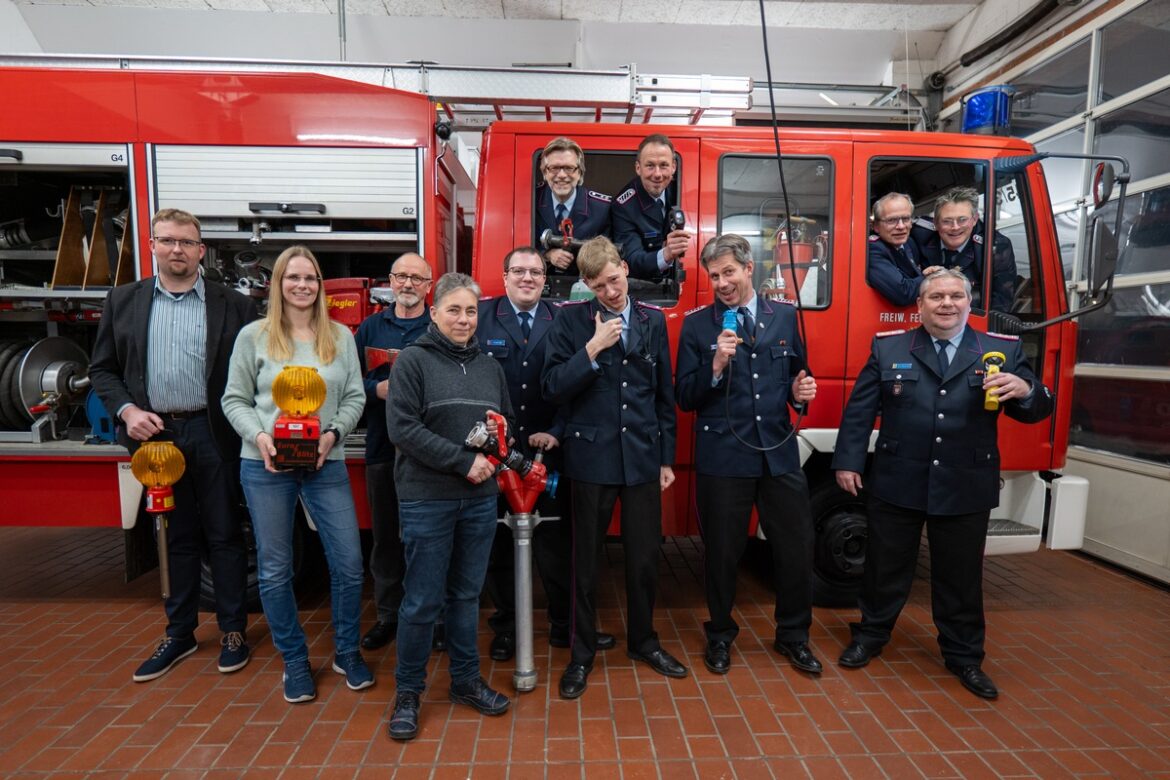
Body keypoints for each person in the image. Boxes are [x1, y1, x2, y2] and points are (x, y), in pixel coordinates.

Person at [832, 269, 1054, 700]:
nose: (947, 304)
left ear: (969, 304)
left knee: (960, 576)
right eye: (936, 297)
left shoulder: (1000, 350)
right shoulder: (889, 347)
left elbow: (1036, 410)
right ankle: (871, 636)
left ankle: (965, 656)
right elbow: (860, 411)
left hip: (965, 481)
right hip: (898, 479)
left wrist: (1025, 388)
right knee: (884, 568)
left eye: (956, 296)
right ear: (920, 305)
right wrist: (847, 462)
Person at [90, 208, 255, 683]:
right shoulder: (123, 301)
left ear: (201, 250)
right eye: (168, 241)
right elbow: (103, 369)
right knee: (175, 537)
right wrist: (127, 411)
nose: (177, 250)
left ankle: (233, 632)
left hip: (213, 432)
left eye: (186, 242)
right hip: (157, 437)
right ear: (152, 246)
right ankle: (180, 632)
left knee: (225, 535)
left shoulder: (234, 305)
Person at [221, 245, 372, 704]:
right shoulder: (254, 337)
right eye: (293, 278)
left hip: (326, 464)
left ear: (320, 286)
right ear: (278, 284)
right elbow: (234, 400)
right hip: (265, 465)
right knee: (274, 569)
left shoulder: (340, 338)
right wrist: (261, 438)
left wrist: (332, 435)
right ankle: (294, 660)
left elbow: (355, 398)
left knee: (348, 563)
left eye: (310, 278)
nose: (302, 286)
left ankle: (347, 650)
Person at [542, 235, 684, 700]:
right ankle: (581, 655)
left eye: (616, 279)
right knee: (584, 563)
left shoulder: (652, 320)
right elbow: (552, 387)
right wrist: (592, 350)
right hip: (591, 458)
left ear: (626, 268)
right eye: (600, 285)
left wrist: (666, 458)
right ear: (586, 284)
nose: (612, 291)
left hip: (642, 456)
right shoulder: (570, 322)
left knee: (644, 558)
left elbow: (664, 394)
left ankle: (644, 641)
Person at [674, 234, 822, 677]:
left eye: (729, 272)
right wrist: (715, 366)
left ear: (748, 268)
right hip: (724, 457)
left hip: (778, 454)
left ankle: (794, 636)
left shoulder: (784, 316)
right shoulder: (699, 326)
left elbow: (799, 375)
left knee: (796, 547)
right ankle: (719, 634)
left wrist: (801, 394)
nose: (722, 282)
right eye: (714, 275)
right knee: (722, 552)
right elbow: (684, 396)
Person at [385, 272, 514, 741]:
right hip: (427, 500)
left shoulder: (489, 367)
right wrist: (464, 462)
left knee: (465, 598)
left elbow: (506, 424)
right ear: (434, 311)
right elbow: (402, 428)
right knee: (421, 601)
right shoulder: (413, 363)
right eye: (454, 310)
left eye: (471, 311)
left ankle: (464, 682)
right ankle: (408, 693)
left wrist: (499, 447)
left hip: (479, 502)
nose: (464, 319)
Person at [477, 246, 616, 661]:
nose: (527, 278)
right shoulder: (480, 318)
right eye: (518, 270)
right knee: (499, 542)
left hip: (549, 452)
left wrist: (556, 431)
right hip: (496, 452)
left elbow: (575, 385)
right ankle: (505, 627)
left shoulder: (567, 319)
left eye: (535, 272)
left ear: (545, 279)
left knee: (558, 544)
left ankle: (564, 625)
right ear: (504, 277)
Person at [354, 253, 433, 652]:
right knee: (385, 538)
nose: (408, 284)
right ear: (390, 281)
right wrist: (376, 390)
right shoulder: (369, 329)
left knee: (424, 540)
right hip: (382, 449)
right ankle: (387, 616)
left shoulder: (439, 327)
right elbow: (349, 384)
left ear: (428, 286)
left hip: (427, 457)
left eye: (416, 279)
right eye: (401, 276)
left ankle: (427, 619)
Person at [911, 186, 1018, 311]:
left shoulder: (994, 246)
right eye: (947, 221)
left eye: (962, 220)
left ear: (974, 220)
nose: (955, 227)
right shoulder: (917, 234)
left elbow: (1001, 304)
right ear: (935, 223)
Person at [611, 134, 689, 280]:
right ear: (638, 168)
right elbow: (631, 260)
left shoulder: (684, 189)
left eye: (664, 165)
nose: (657, 174)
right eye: (650, 166)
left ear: (673, 167)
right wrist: (666, 254)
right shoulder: (624, 206)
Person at [534, 137, 612, 275]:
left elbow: (609, 255)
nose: (562, 175)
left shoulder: (602, 208)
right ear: (545, 172)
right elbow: (516, 244)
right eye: (554, 168)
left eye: (569, 168)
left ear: (580, 172)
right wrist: (547, 255)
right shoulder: (530, 200)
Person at [866, 192, 943, 306]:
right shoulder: (872, 250)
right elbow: (904, 293)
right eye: (891, 220)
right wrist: (931, 278)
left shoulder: (909, 243)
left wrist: (926, 274)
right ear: (875, 226)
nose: (901, 226)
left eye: (906, 219)